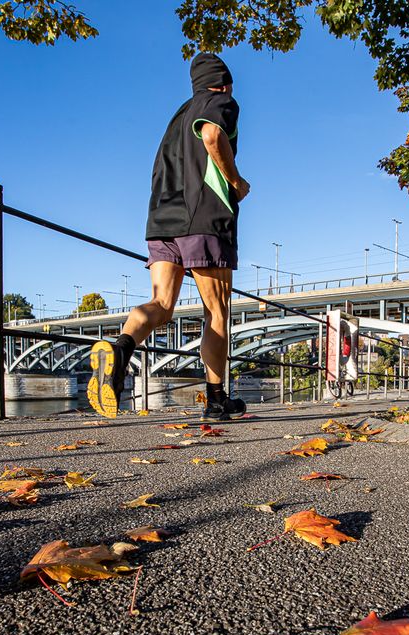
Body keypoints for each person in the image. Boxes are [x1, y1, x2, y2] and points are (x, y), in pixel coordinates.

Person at [87, 53, 250, 421]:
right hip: (204, 219)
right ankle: (216, 400)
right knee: (217, 311)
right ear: (223, 82)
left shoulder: (177, 117)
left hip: (162, 219)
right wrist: (235, 181)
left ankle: (120, 351)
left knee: (161, 305)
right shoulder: (220, 102)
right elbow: (212, 135)